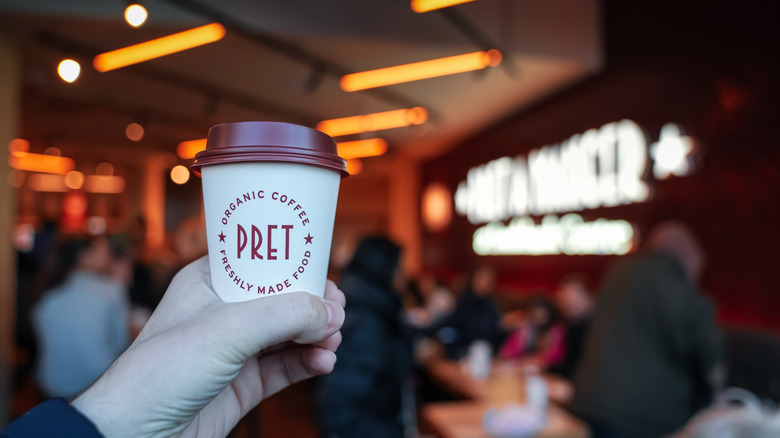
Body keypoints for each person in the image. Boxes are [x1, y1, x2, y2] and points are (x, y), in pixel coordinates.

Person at [1, 256, 346, 437]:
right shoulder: (108, 290)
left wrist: (106, 419)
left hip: (49, 388)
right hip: (87, 384)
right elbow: (119, 342)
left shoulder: (45, 291)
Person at [570, 221, 724, 438]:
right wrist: (718, 394)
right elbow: (708, 350)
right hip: (643, 416)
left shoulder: (619, 271)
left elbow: (590, 323)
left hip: (591, 400)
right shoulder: (678, 287)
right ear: (687, 259)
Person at [314, 236, 413, 438]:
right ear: (383, 268)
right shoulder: (364, 320)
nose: (403, 277)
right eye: (399, 269)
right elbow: (340, 410)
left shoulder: (368, 306)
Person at [31, 235, 132, 400]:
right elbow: (121, 344)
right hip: (95, 384)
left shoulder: (47, 289)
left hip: (50, 384)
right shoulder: (112, 290)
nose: (110, 257)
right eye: (106, 251)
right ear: (85, 255)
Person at [432, 264, 507, 360]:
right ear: (472, 280)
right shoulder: (463, 304)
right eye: (481, 279)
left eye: (488, 281)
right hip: (462, 356)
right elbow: (448, 328)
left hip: (487, 357)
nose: (484, 284)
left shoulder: (492, 307)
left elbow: (496, 336)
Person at [498, 294, 565, 368]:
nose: (538, 320)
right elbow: (509, 349)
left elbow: (556, 354)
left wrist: (536, 359)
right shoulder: (525, 328)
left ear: (548, 314)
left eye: (541, 316)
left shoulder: (556, 331)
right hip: (523, 368)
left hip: (549, 371)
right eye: (534, 315)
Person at [548, 274, 593, 380]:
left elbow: (585, 368)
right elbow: (570, 362)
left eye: (571, 295)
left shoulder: (597, 328)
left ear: (586, 297)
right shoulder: (572, 325)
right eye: (563, 296)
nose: (565, 302)